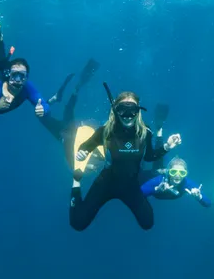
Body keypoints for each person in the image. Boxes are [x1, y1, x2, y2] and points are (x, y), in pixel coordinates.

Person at [70, 90, 183, 231]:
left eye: (133, 110)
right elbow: (86, 145)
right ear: (116, 111)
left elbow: (149, 157)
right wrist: (83, 152)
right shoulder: (106, 131)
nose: (128, 115)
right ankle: (76, 181)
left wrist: (167, 147)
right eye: (123, 110)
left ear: (138, 111)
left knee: (148, 224)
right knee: (78, 223)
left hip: (131, 184)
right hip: (106, 182)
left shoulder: (144, 132)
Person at [140, 156, 211, 207]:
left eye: (182, 173)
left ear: (185, 174)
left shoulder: (186, 183)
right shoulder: (159, 180)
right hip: (151, 175)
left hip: (166, 169)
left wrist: (198, 197)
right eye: (173, 172)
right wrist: (156, 189)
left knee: (161, 159)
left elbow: (208, 203)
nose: (178, 175)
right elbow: (138, 194)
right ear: (169, 173)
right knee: (147, 171)